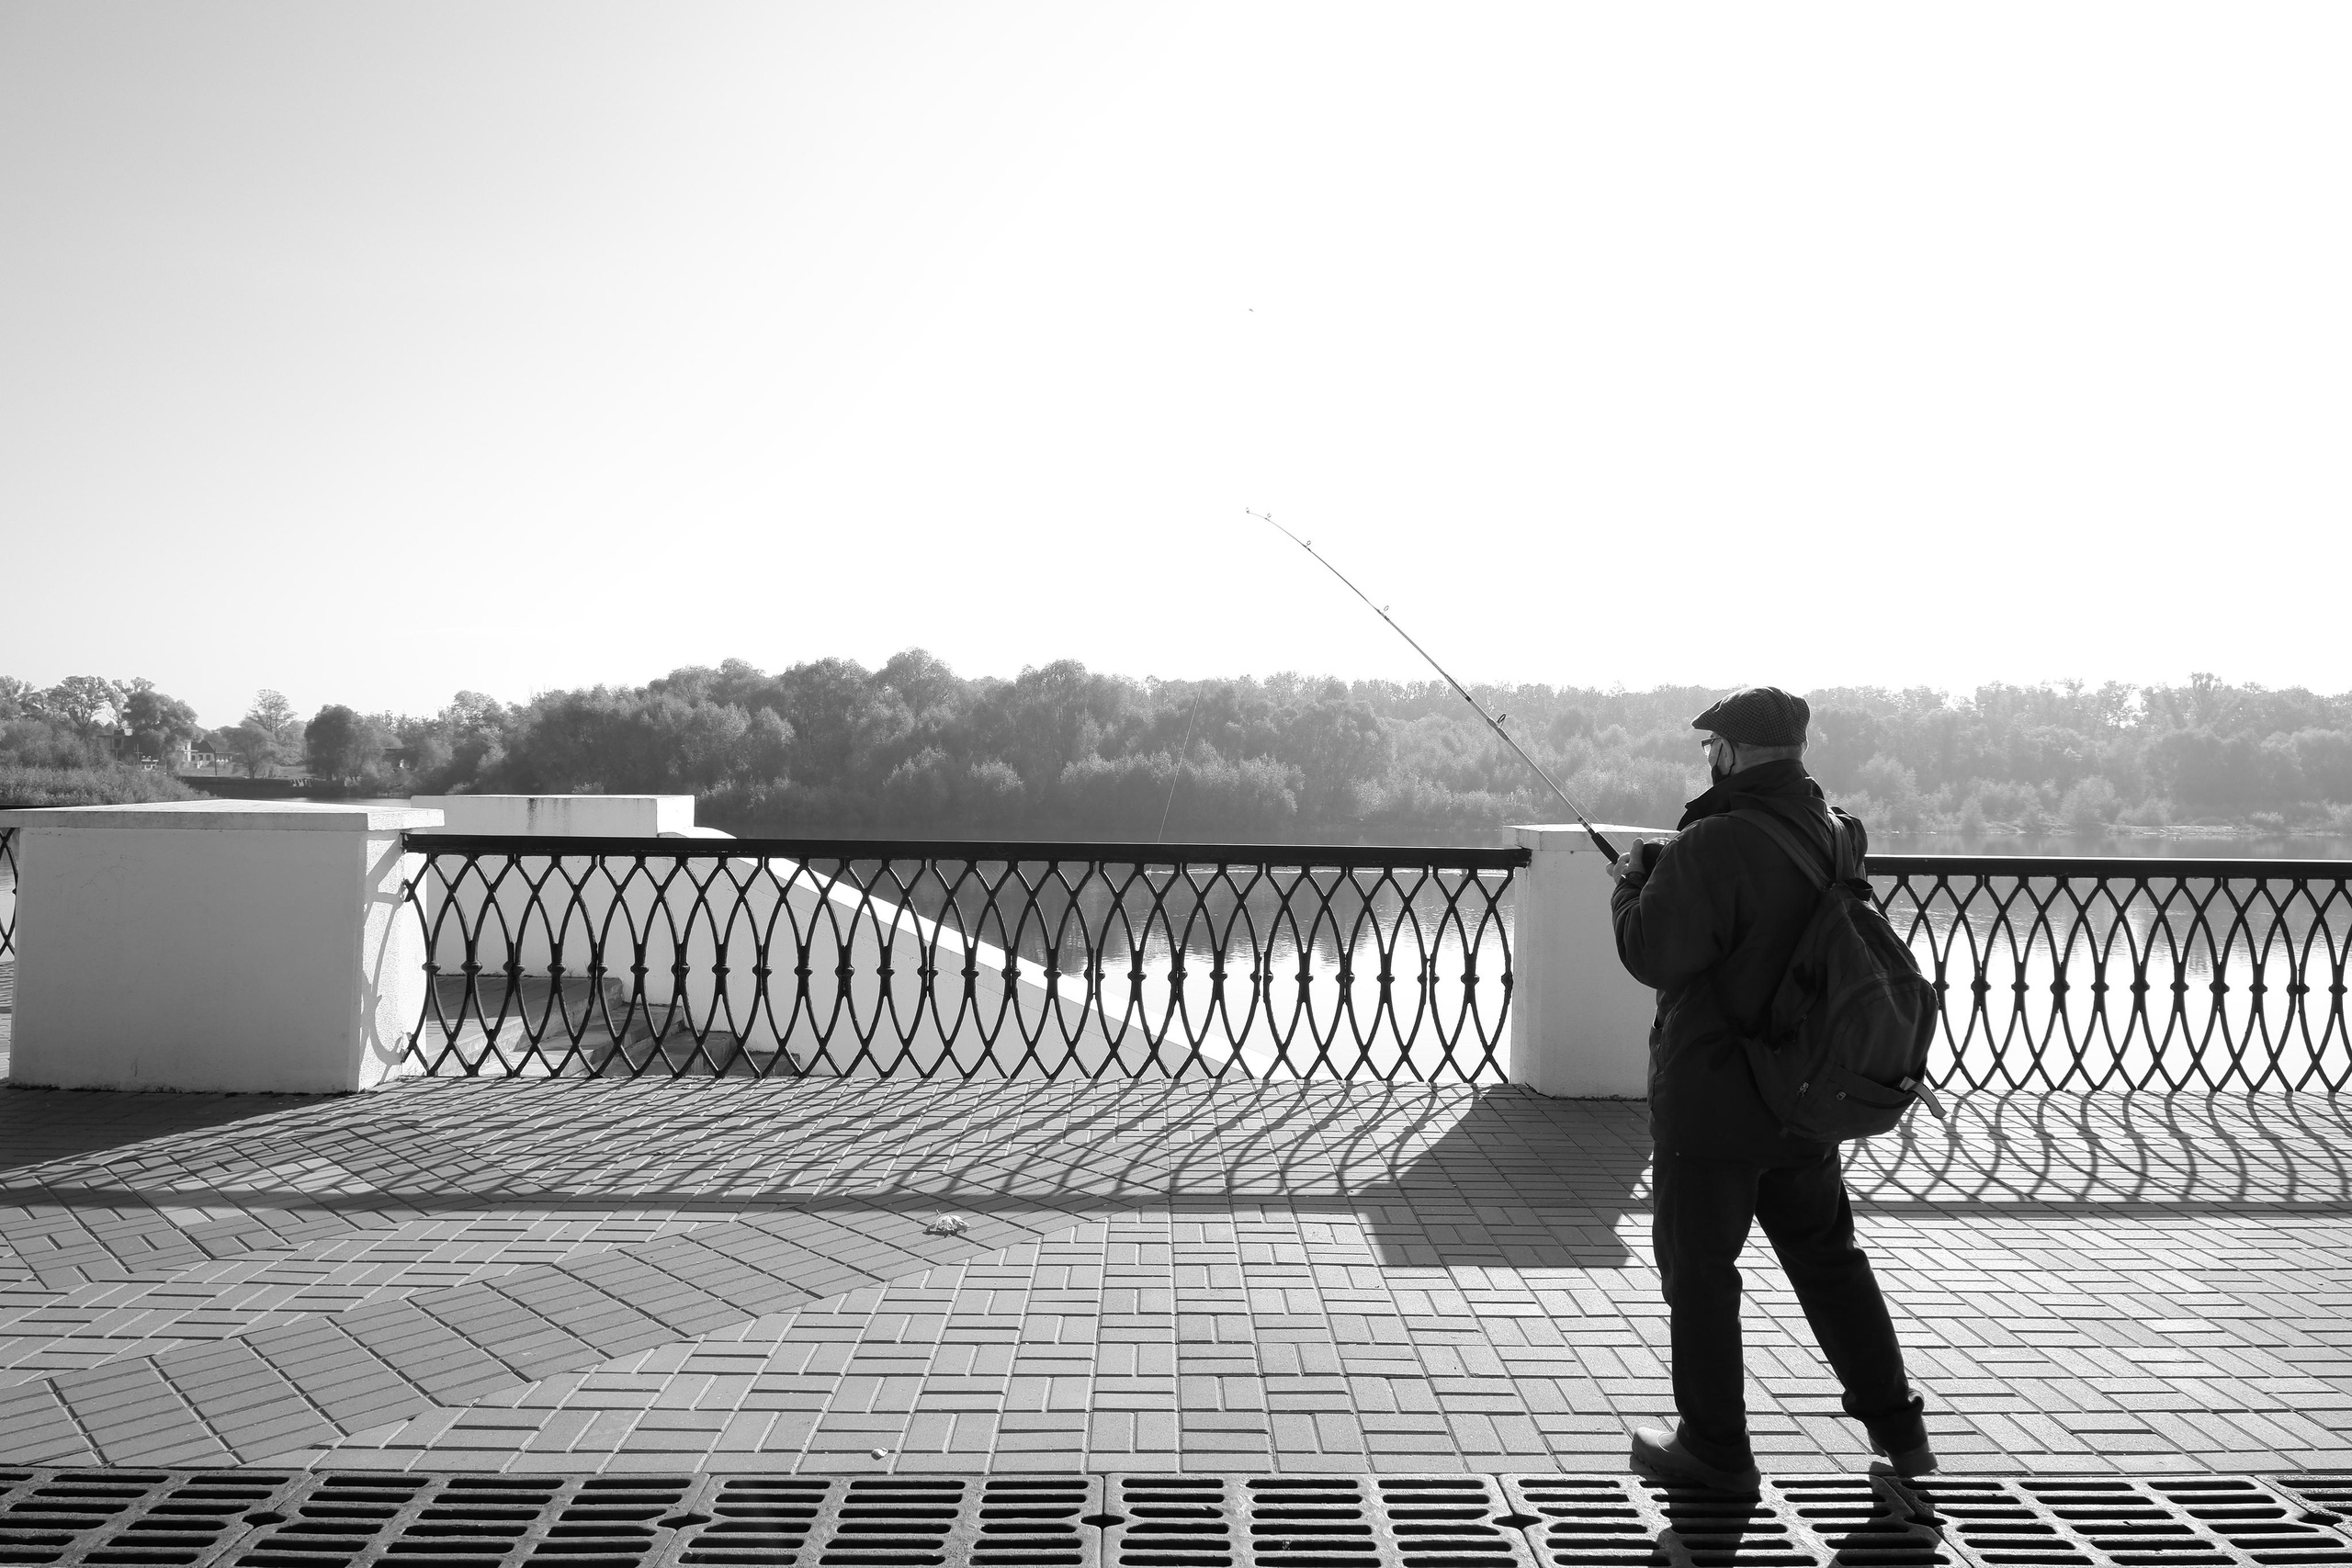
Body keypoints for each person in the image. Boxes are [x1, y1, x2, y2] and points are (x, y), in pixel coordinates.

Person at [1606, 685, 1933, 1494]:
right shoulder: (1834, 832)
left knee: (1702, 1273)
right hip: (1804, 1091)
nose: (1706, 759)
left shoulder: (1715, 841)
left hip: (1714, 1103)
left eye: (1709, 745)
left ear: (1731, 749)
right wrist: (1672, 866)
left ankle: (1715, 1448)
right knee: (1830, 1261)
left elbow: (1652, 950)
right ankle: (1903, 1435)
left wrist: (1629, 881)